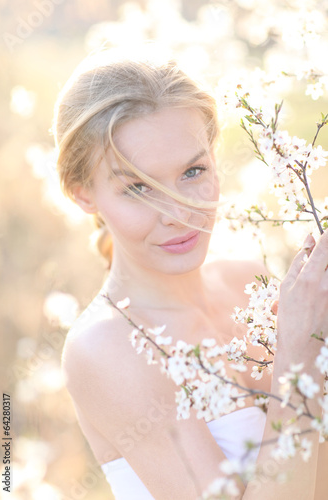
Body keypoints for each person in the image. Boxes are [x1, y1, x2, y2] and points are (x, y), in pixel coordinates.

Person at [53, 46, 328, 500]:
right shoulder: (105, 347)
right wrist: (297, 357)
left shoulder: (249, 283)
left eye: (192, 171)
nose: (178, 213)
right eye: (138, 187)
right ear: (84, 195)